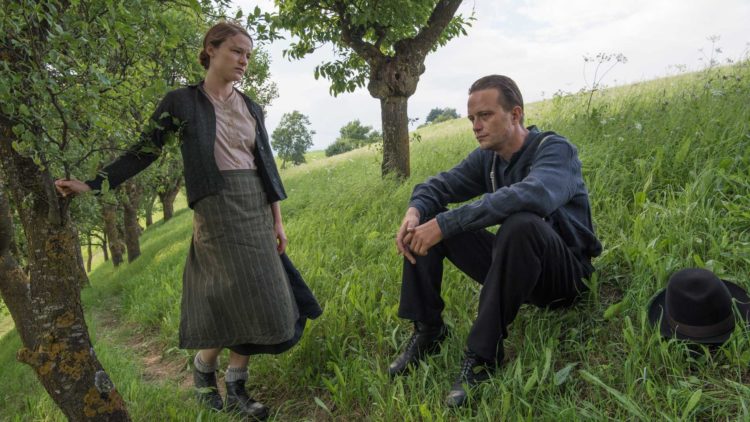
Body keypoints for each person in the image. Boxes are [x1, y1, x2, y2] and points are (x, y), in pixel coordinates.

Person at [55, 21, 321, 419]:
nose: (244, 61)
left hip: (254, 205)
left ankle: (234, 386)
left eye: (248, 55)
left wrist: (277, 220)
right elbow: (144, 150)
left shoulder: (251, 106)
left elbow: (266, 168)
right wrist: (94, 184)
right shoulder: (181, 102)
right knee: (232, 294)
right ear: (211, 49)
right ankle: (206, 370)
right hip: (214, 210)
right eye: (236, 51)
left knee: (261, 294)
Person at [389, 75, 602, 407]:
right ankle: (429, 330)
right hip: (517, 270)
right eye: (472, 118)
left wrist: (445, 224)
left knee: (520, 223)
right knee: (430, 220)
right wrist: (415, 212)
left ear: (515, 114)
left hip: (566, 277)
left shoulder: (554, 150)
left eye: (485, 115)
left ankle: (483, 356)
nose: (476, 126)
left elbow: (533, 195)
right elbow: (437, 186)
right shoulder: (487, 158)